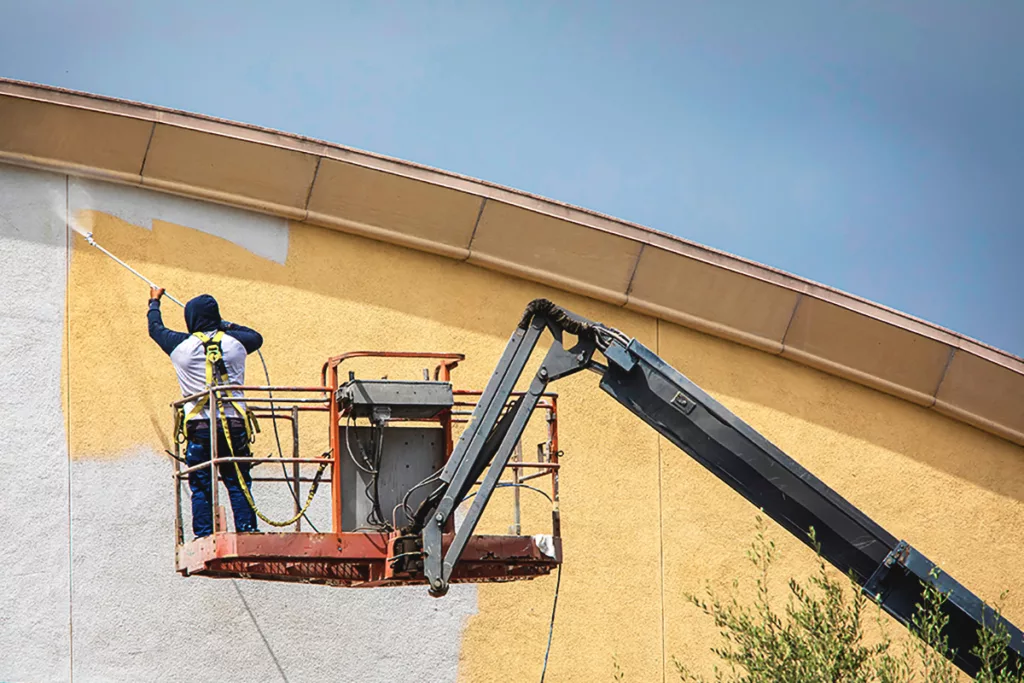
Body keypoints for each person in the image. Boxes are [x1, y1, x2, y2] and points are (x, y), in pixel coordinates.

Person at [148, 286, 264, 538]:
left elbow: (155, 329)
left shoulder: (180, 346)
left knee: (201, 483)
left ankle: (204, 534)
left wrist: (154, 302)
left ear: (190, 319)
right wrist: (223, 324)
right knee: (238, 481)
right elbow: (256, 336)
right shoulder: (236, 344)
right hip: (234, 426)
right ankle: (247, 530)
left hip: (200, 428)